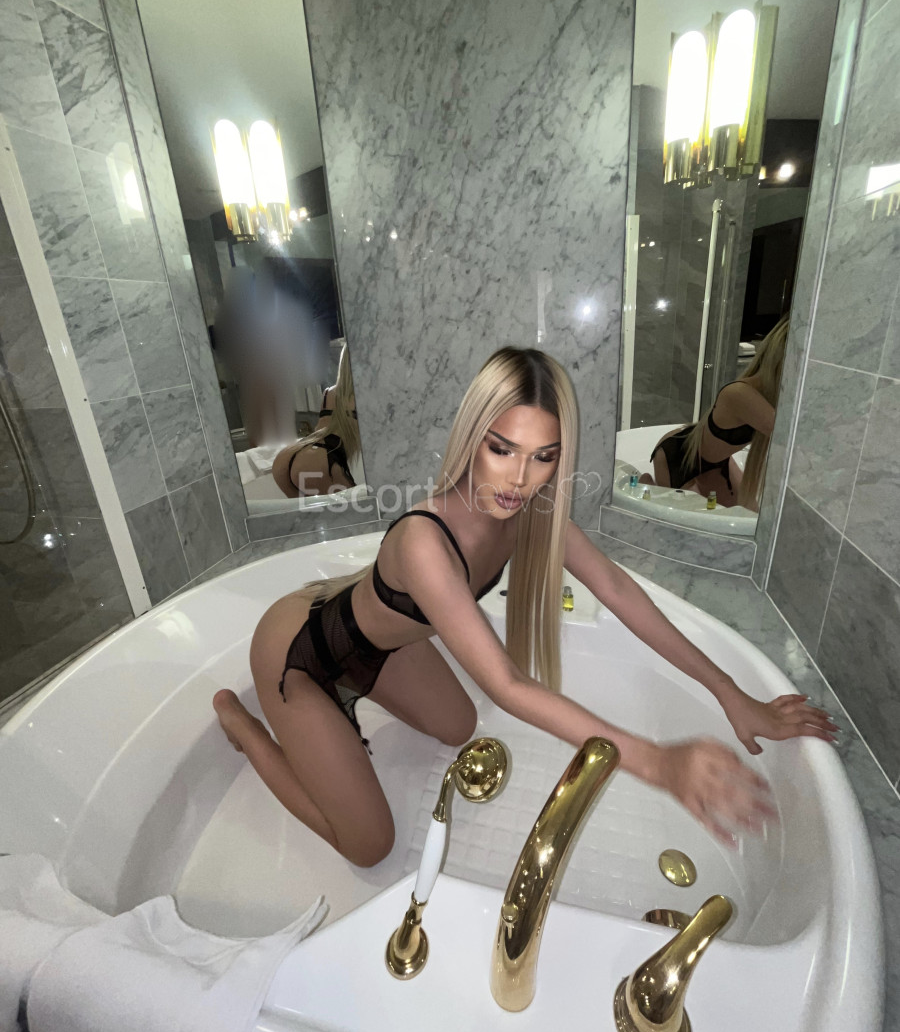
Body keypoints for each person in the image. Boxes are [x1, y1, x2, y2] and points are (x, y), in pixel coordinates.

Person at [213, 346, 834, 868]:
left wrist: (729, 692)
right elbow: (508, 686)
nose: (519, 478)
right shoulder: (425, 540)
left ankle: (349, 706)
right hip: (297, 654)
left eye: (544, 456)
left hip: (378, 645)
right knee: (370, 847)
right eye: (502, 449)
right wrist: (659, 763)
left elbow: (617, 591)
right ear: (471, 439)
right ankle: (243, 726)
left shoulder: (532, 510)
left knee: (458, 727)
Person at [646, 317, 790, 509]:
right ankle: (647, 484)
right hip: (679, 455)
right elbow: (792, 438)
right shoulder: (739, 394)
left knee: (747, 515)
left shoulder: (773, 397)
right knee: (679, 519)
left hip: (718, 461)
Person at [272, 344, 361, 497]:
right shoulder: (365, 395)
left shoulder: (329, 392)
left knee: (313, 513)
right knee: (362, 507)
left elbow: (322, 428)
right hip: (320, 460)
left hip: (289, 456)